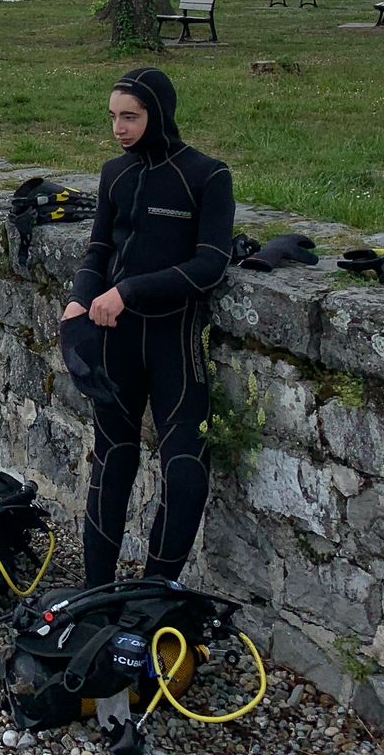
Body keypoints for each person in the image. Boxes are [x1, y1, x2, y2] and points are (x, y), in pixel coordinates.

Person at [61, 66, 234, 588]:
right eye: (113, 117)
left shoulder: (207, 175)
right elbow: (99, 250)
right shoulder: (115, 173)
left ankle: (155, 593)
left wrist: (129, 291)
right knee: (112, 461)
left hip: (172, 340)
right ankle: (97, 592)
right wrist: (78, 299)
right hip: (114, 341)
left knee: (185, 475)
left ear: (158, 114)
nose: (119, 128)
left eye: (131, 117)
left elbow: (210, 264)